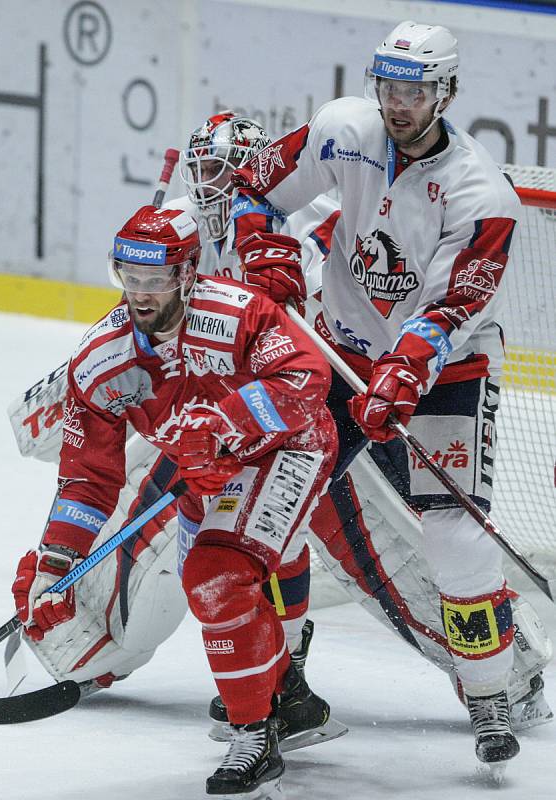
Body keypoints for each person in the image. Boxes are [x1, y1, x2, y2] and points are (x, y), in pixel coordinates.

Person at [229, 20, 525, 767]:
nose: (397, 104)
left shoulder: (482, 193)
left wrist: (403, 375)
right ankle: (284, 682)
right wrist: (267, 254)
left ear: (446, 93)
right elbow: (254, 186)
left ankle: (488, 693)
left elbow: (454, 307)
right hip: (338, 353)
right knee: (278, 503)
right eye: (388, 87)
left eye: (415, 91)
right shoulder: (342, 129)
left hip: (448, 370)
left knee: (453, 537)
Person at [7, 111, 346, 753]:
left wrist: (223, 425)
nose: (213, 178)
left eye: (227, 167)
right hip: (198, 418)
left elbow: (303, 360)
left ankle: (287, 675)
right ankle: (278, 688)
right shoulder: (179, 230)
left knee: (258, 551)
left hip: (280, 415)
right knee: (207, 564)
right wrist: (59, 555)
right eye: (126, 279)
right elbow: (88, 476)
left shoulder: (292, 219)